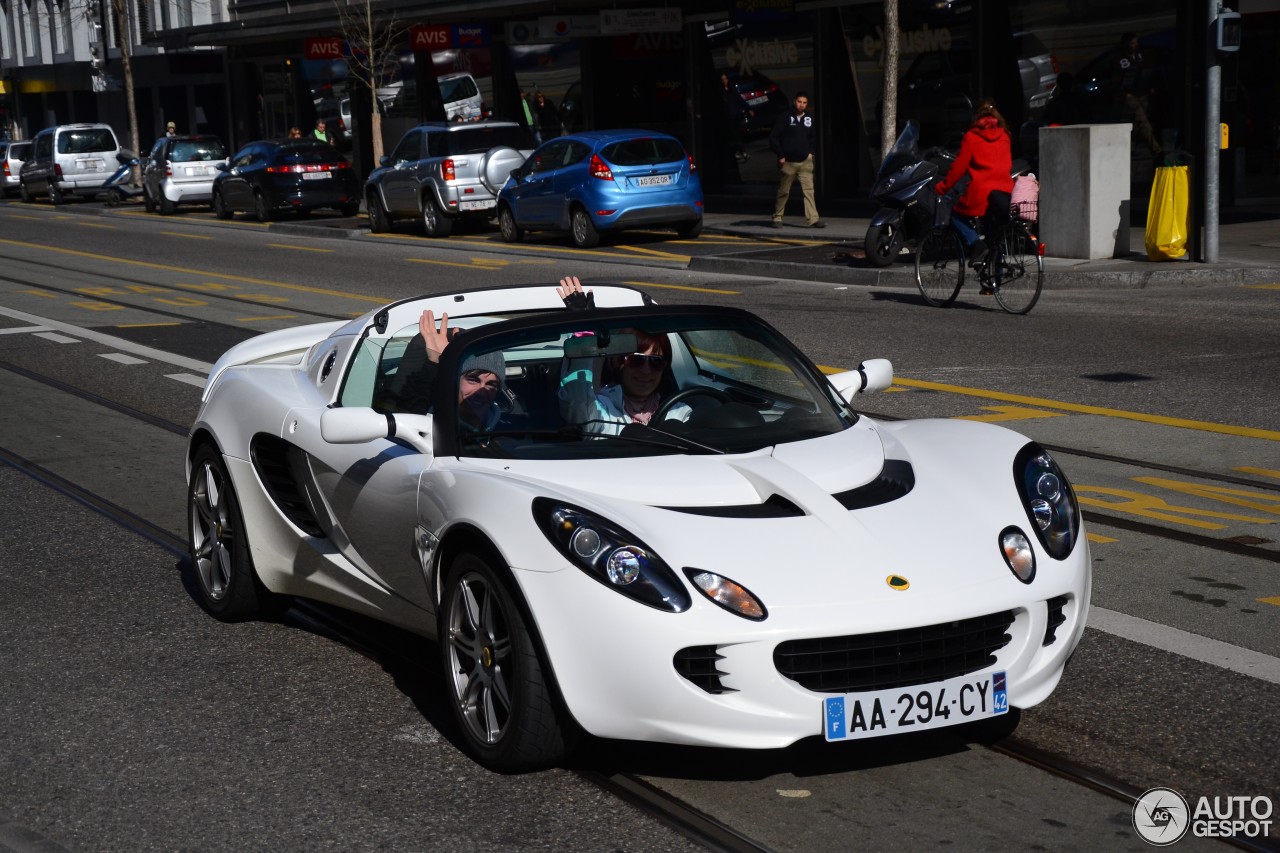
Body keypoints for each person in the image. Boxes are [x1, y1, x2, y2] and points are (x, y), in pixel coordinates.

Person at [555, 276, 692, 436]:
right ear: (620, 363)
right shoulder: (603, 410)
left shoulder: (678, 412)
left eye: (656, 362)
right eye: (637, 360)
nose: (646, 371)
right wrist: (585, 330)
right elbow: (577, 405)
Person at [384, 310, 505, 431]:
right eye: (473, 380)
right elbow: (409, 422)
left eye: (491, 385)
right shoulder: (429, 427)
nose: (481, 392)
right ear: (455, 382)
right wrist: (435, 362)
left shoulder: (507, 429)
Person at [934, 99, 1015, 277]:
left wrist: (943, 187)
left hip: (981, 193)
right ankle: (995, 277)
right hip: (1004, 192)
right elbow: (1007, 164)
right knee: (994, 234)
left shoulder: (971, 138)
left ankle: (976, 247)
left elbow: (958, 169)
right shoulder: (1005, 136)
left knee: (955, 215)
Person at [769, 92, 825, 229]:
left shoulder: (809, 119)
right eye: (799, 102)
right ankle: (777, 217)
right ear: (794, 101)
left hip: (805, 161)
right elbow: (774, 137)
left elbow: (812, 137)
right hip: (788, 162)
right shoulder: (785, 117)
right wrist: (780, 155)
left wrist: (811, 152)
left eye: (804, 102)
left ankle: (813, 219)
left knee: (809, 190)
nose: (802, 105)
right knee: (784, 191)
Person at [1113, 32, 1162, 157]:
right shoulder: (1120, 59)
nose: (1136, 45)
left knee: (1136, 123)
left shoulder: (1140, 55)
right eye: (1133, 43)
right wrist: (1125, 94)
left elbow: (1147, 71)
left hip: (1143, 93)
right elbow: (1117, 79)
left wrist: (1150, 87)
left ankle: (1130, 147)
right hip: (1131, 95)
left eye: (1136, 42)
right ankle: (1156, 149)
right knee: (1143, 121)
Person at [719, 73, 750, 164]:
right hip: (729, 117)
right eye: (723, 79)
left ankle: (742, 152)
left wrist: (748, 109)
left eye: (726, 79)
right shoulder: (721, 91)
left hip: (736, 115)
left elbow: (739, 100)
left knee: (738, 134)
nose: (724, 81)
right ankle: (738, 152)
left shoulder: (732, 89)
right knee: (733, 135)